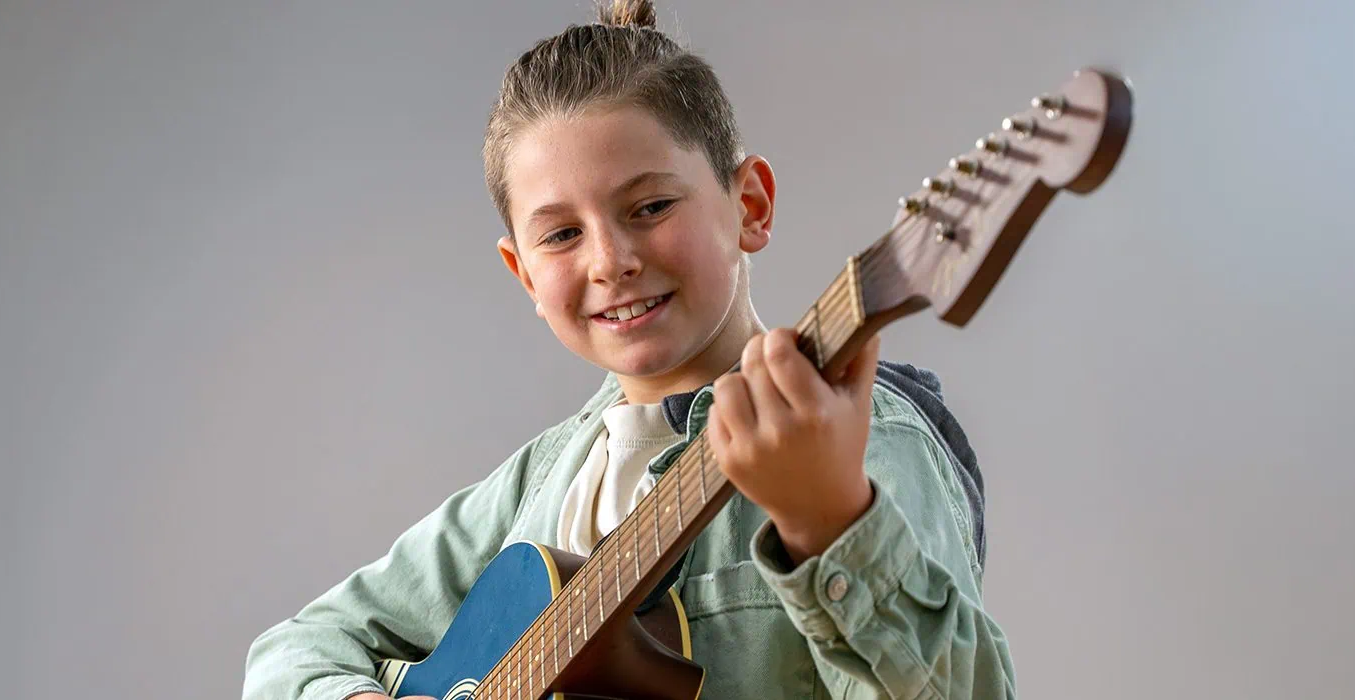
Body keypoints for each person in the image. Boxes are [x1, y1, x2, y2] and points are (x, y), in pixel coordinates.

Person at [243, 1, 1014, 697]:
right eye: (562, 234)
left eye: (649, 207)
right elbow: (292, 649)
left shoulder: (860, 439)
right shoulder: (546, 480)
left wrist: (831, 520)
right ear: (523, 275)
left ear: (749, 205)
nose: (610, 260)